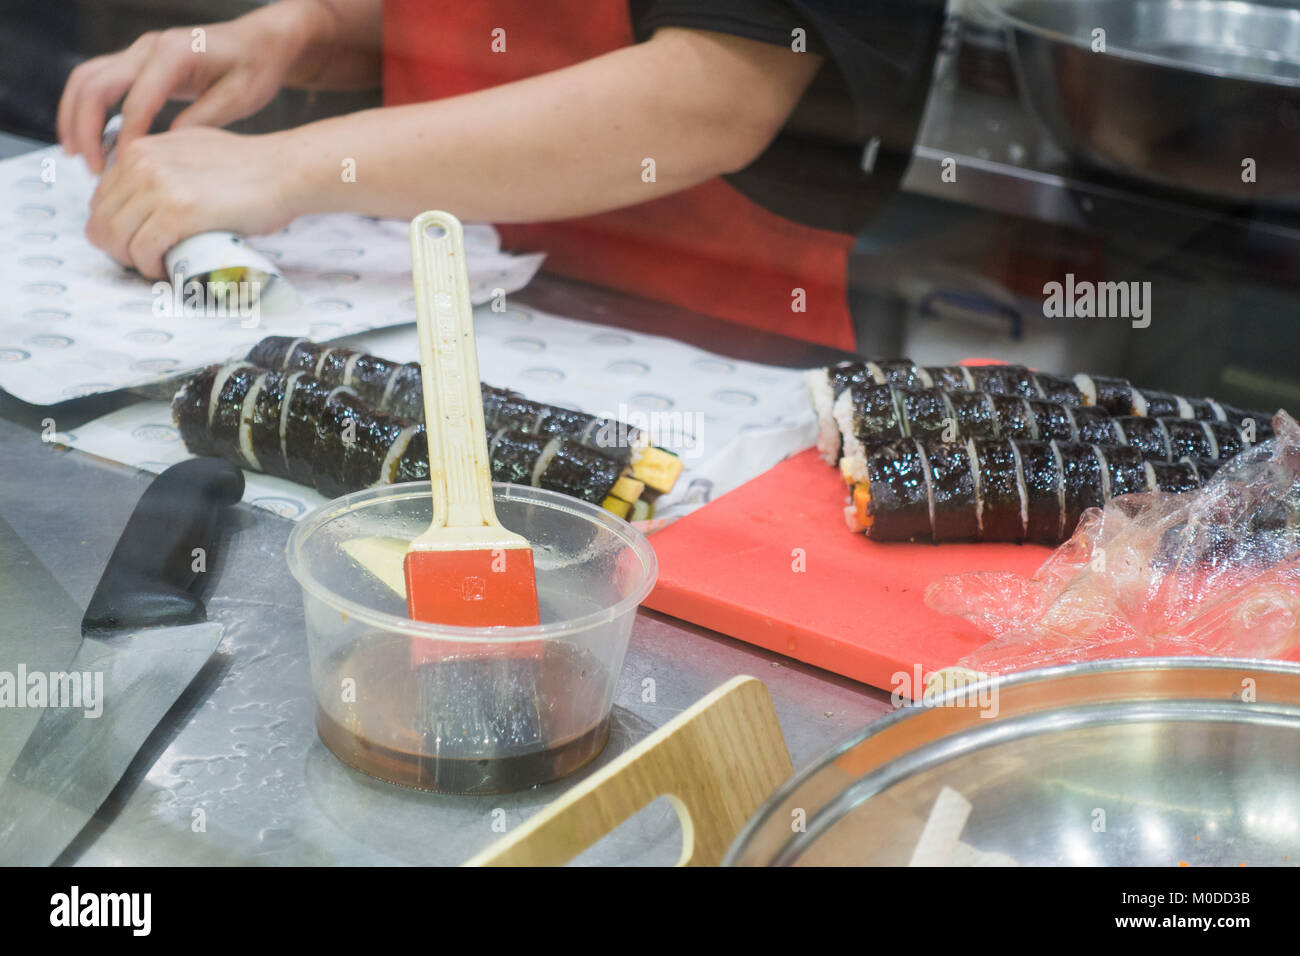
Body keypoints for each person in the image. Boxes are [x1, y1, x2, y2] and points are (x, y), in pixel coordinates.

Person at [59, 0, 942, 350]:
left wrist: (285, 165)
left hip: (690, 344)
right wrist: (309, 28)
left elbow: (714, 92)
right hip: (412, 306)